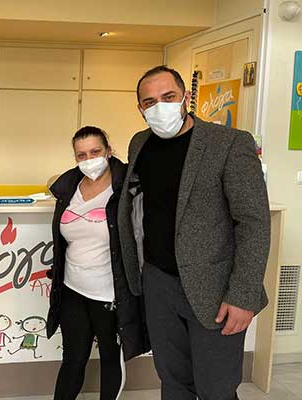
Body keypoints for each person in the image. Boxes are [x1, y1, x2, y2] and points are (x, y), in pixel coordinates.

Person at [118, 66, 270, 399]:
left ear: (186, 97)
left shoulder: (228, 143)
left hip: (214, 289)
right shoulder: (139, 144)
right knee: (173, 381)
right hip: (158, 284)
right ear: (140, 108)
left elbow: (254, 222)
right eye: (149, 102)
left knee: (216, 388)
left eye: (168, 97)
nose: (159, 107)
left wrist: (243, 296)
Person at [46, 126, 150, 400]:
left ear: (108, 151)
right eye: (81, 155)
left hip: (110, 293)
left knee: (110, 358)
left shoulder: (127, 188)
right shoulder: (68, 187)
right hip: (72, 289)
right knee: (73, 359)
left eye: (95, 152)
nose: (89, 160)